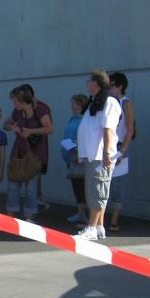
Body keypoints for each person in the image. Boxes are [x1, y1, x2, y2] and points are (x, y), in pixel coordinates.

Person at [75, 69, 122, 240]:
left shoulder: (109, 102)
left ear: (96, 83)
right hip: (91, 155)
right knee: (94, 190)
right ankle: (99, 226)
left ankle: (91, 228)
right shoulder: (94, 102)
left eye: (89, 81)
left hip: (100, 156)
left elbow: (108, 129)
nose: (87, 84)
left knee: (98, 191)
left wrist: (106, 153)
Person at [4, 84, 53, 221]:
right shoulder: (17, 111)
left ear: (23, 100)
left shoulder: (41, 109)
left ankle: (29, 216)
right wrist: (14, 128)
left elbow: (49, 129)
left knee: (31, 187)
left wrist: (30, 131)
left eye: (15, 101)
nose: (13, 104)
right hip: (18, 153)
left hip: (35, 154)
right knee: (13, 183)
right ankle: (10, 215)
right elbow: (6, 124)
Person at [107, 72, 136, 232]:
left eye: (112, 85)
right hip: (106, 145)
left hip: (118, 146)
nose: (109, 89)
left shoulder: (125, 102)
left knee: (117, 184)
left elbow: (130, 129)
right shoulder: (108, 102)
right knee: (103, 182)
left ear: (120, 86)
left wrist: (123, 150)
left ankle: (115, 217)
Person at [62, 94, 89, 224]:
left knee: (82, 186)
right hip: (71, 157)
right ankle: (80, 213)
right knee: (76, 185)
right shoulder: (73, 119)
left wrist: (79, 148)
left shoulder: (86, 120)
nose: (71, 106)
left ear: (79, 105)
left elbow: (86, 138)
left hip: (80, 158)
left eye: (73, 103)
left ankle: (86, 215)